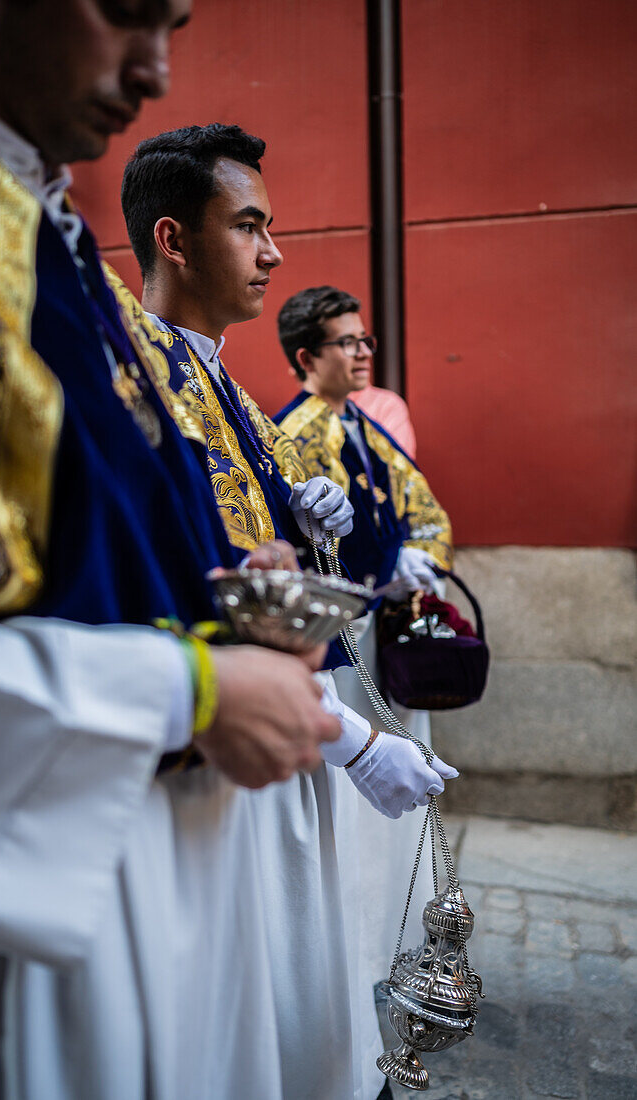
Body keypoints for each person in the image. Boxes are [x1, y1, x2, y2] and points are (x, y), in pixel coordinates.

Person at [0, 4, 353, 1098]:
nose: (156, 68)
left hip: (147, 853)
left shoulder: (42, 226)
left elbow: (75, 537)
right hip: (26, 885)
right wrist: (194, 684)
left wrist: (208, 587)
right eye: (126, 11)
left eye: (174, 20)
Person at [120, 124, 458, 1097]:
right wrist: (349, 736)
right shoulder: (142, 378)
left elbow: (263, 556)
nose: (274, 253)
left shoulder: (219, 374)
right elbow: (188, 582)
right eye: (251, 226)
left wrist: (317, 522)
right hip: (225, 747)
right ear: (176, 239)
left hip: (283, 733)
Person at [275, 284, 455, 992]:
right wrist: (388, 563)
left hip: (380, 634)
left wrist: (421, 556)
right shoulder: (292, 432)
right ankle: (353, 951)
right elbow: (307, 550)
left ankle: (387, 941)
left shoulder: (363, 425)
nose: (360, 354)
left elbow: (422, 506)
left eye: (363, 341)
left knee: (392, 812)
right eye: (345, 343)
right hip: (341, 644)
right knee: (355, 808)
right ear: (305, 357)